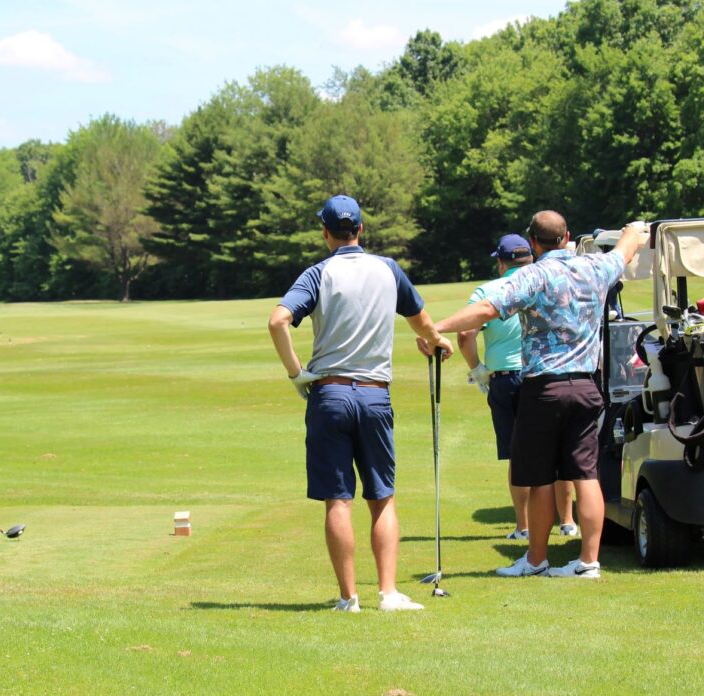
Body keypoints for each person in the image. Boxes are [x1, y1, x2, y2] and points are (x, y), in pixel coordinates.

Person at [430, 213, 647, 578]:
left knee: (541, 476)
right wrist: (633, 231)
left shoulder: (532, 275)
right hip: (586, 386)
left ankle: (536, 561)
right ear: (566, 237)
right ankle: (589, 563)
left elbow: (486, 309)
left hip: (544, 388)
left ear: (533, 242)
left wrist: (436, 327)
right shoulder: (594, 267)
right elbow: (624, 252)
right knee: (586, 475)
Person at [268, 195, 453, 612]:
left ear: (325, 232)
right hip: (374, 395)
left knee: (339, 499)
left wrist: (297, 373)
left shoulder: (318, 273)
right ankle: (388, 593)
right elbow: (421, 321)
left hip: (329, 394)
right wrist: (438, 341)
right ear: (361, 230)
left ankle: (348, 597)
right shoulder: (387, 269)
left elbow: (278, 320)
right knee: (382, 496)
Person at [455, 234, 578, 541]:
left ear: (500, 262)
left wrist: (477, 369)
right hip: (547, 375)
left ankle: (523, 527)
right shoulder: (547, 281)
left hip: (506, 380)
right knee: (559, 450)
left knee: (519, 454)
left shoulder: (491, 290)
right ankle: (567, 521)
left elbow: (465, 334)